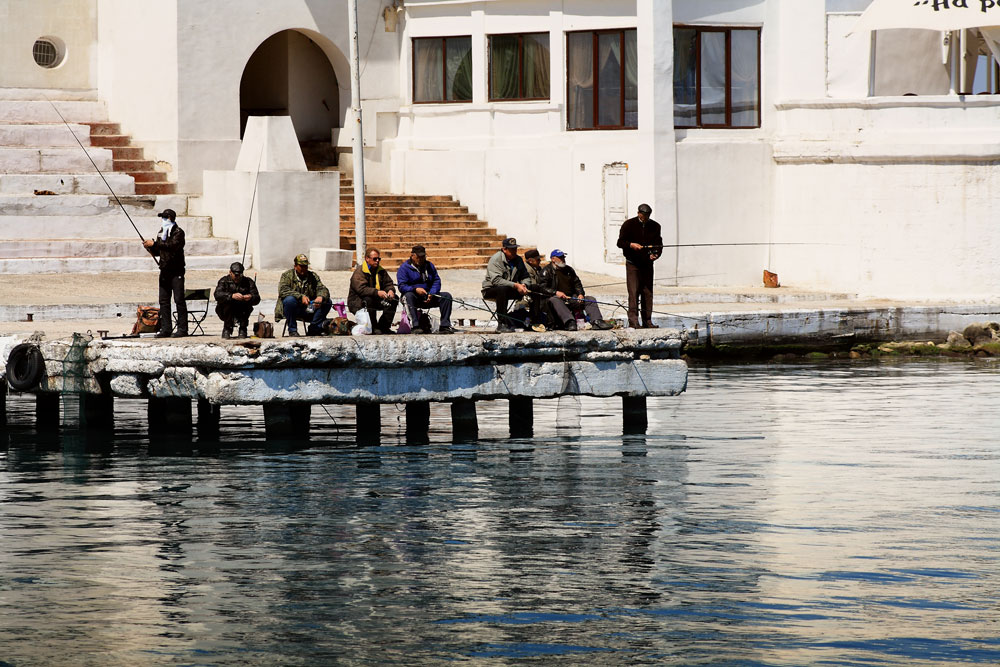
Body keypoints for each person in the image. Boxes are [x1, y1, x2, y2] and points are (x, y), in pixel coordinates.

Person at [540, 249, 613, 331]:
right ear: (553, 259)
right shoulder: (546, 271)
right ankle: (570, 322)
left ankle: (597, 321)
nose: (563, 259)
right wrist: (556, 292)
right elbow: (542, 288)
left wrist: (580, 294)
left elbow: (577, 283)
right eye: (560, 258)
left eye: (563, 257)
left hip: (570, 297)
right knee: (555, 300)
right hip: (555, 299)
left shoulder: (569, 270)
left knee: (590, 299)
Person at [617, 203, 663, 328]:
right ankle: (634, 321)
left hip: (647, 265)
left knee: (647, 293)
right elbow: (620, 242)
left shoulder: (655, 226)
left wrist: (656, 254)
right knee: (633, 292)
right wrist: (631, 245)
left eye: (647, 216)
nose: (645, 218)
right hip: (633, 264)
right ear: (638, 213)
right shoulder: (628, 224)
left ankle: (647, 321)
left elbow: (659, 244)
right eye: (643, 216)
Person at [143, 208, 186, 338]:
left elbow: (172, 246)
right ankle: (166, 329)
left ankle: (182, 329)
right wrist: (150, 247)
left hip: (176, 271)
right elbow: (160, 250)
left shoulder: (178, 232)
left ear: (171, 219)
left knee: (179, 299)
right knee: (164, 300)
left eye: (165, 218)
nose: (163, 221)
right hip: (164, 271)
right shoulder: (161, 232)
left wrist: (156, 244)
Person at [396, 245, 455, 334]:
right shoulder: (404, 268)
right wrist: (415, 289)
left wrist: (432, 293)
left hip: (428, 296)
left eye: (423, 256)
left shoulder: (429, 265)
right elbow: (402, 286)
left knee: (447, 296)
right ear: (412, 256)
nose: (421, 259)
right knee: (408, 296)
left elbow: (436, 280)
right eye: (419, 257)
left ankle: (445, 325)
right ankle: (415, 326)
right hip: (414, 296)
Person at [481, 237, 534, 333]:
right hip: (491, 289)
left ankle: (533, 320)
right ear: (504, 249)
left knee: (535, 288)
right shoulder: (496, 259)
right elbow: (496, 281)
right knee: (502, 289)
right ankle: (502, 323)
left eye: (515, 249)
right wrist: (516, 285)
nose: (514, 251)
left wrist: (524, 285)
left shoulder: (518, 260)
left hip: (511, 288)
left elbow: (525, 276)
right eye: (511, 249)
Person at [274, 253, 332, 336]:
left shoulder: (313, 276)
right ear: (295, 266)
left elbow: (322, 288)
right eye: (301, 266)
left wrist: (320, 297)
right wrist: (300, 297)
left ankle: (314, 328)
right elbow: (283, 290)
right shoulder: (287, 276)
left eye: (306, 266)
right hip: (292, 309)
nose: (304, 269)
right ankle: (292, 330)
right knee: (289, 300)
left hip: (309, 308)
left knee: (327, 301)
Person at [348, 247, 399, 334]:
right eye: (374, 259)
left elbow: (388, 284)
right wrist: (377, 292)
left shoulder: (381, 271)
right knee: (368, 299)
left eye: (379, 259)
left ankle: (384, 326)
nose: (377, 261)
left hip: (376, 297)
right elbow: (361, 289)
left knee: (394, 300)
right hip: (358, 301)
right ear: (367, 259)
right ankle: (373, 326)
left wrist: (390, 291)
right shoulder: (359, 272)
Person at [214, 261, 260, 339]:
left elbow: (257, 298)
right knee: (229, 303)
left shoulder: (248, 282)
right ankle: (227, 328)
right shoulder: (224, 281)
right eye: (235, 275)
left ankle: (243, 329)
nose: (237, 278)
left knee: (245, 305)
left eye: (240, 275)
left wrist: (250, 297)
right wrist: (231, 296)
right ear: (230, 272)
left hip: (242, 308)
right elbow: (217, 295)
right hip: (225, 309)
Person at [521, 248, 554, 330]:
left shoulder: (537, 268)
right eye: (537, 259)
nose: (540, 261)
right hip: (529, 294)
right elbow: (533, 285)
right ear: (530, 261)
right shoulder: (527, 269)